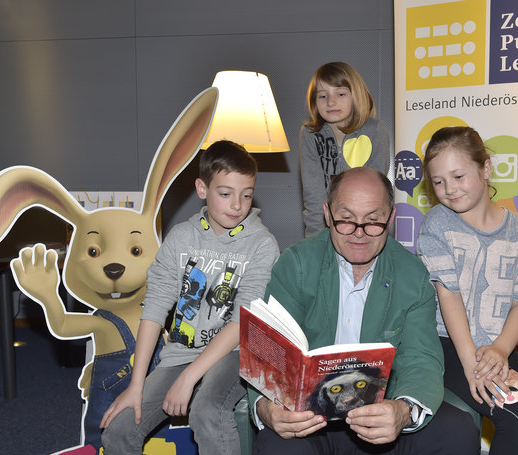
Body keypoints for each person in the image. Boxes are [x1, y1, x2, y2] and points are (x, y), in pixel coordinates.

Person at [249, 167, 479, 454]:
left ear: (391, 217)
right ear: (327, 214)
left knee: (456, 431)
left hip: (381, 412)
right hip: (311, 420)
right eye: (345, 219)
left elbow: (421, 357)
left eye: (373, 221)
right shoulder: (296, 263)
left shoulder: (412, 274)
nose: (359, 234)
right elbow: (270, 353)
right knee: (279, 446)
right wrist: (267, 409)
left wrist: (403, 411)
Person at [100, 140, 280, 455]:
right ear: (202, 188)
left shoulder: (261, 244)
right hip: (183, 352)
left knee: (207, 411)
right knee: (119, 430)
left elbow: (242, 322)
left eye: (246, 194)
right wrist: (136, 384)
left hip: (238, 352)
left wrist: (189, 378)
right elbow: (155, 306)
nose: (237, 205)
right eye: (225, 194)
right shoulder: (182, 236)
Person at [416, 126, 518, 454]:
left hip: (496, 348)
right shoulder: (437, 224)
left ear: (486, 169)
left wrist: (500, 350)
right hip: (447, 346)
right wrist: (470, 364)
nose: (448, 189)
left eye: (458, 176)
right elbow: (447, 295)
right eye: (438, 182)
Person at [300, 61, 393, 237]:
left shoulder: (375, 130)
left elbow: (375, 194)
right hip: (326, 229)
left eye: (340, 93)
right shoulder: (310, 134)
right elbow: (313, 196)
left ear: (356, 96)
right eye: (322, 96)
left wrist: (364, 233)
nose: (331, 102)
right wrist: (314, 241)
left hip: (366, 229)